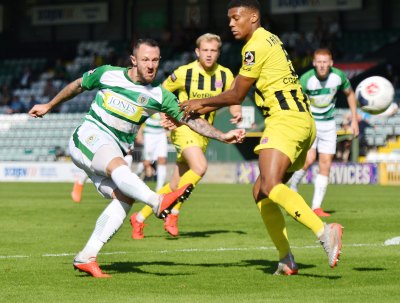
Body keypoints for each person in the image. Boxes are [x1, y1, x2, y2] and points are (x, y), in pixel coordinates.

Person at [28, 38, 245, 278]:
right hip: (89, 137)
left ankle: (87, 255)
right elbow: (78, 85)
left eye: (155, 60)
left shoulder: (160, 95)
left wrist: (223, 136)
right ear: (133, 60)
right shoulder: (108, 74)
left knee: (125, 197)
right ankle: (157, 202)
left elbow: (191, 120)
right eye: (145, 60)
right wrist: (49, 105)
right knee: (118, 165)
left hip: (114, 148)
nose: (151, 65)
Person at [180, 0, 343, 275]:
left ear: (253, 17)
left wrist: (198, 102)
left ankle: (324, 231)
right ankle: (286, 259)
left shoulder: (255, 45)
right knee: (261, 192)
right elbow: (233, 91)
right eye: (229, 19)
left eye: (236, 18)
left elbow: (236, 95)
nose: (231, 24)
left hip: (285, 119)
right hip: (303, 121)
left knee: (269, 184)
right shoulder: (269, 39)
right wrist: (196, 108)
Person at [131, 33, 242, 239]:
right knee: (200, 167)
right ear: (197, 52)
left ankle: (138, 218)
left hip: (205, 132)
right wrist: (166, 114)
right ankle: (173, 212)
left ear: (218, 53)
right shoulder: (184, 72)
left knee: (175, 185)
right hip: (183, 128)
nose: (209, 55)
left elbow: (234, 97)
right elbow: (162, 92)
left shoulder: (225, 75)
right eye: (205, 50)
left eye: (213, 51)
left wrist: (237, 112)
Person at [289, 48, 359, 217]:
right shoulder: (306, 80)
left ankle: (316, 207)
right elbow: (296, 102)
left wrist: (355, 119)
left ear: (331, 63)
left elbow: (349, 94)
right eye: (318, 62)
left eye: (325, 62)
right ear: (313, 63)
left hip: (329, 125)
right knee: (309, 159)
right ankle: (292, 187)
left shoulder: (339, 76)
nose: (321, 65)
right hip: (311, 123)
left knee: (326, 163)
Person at [135, 113, 169, 191]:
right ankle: (134, 176)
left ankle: (159, 189)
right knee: (146, 162)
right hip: (149, 134)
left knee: (162, 160)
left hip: (161, 134)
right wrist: (139, 134)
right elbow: (140, 117)